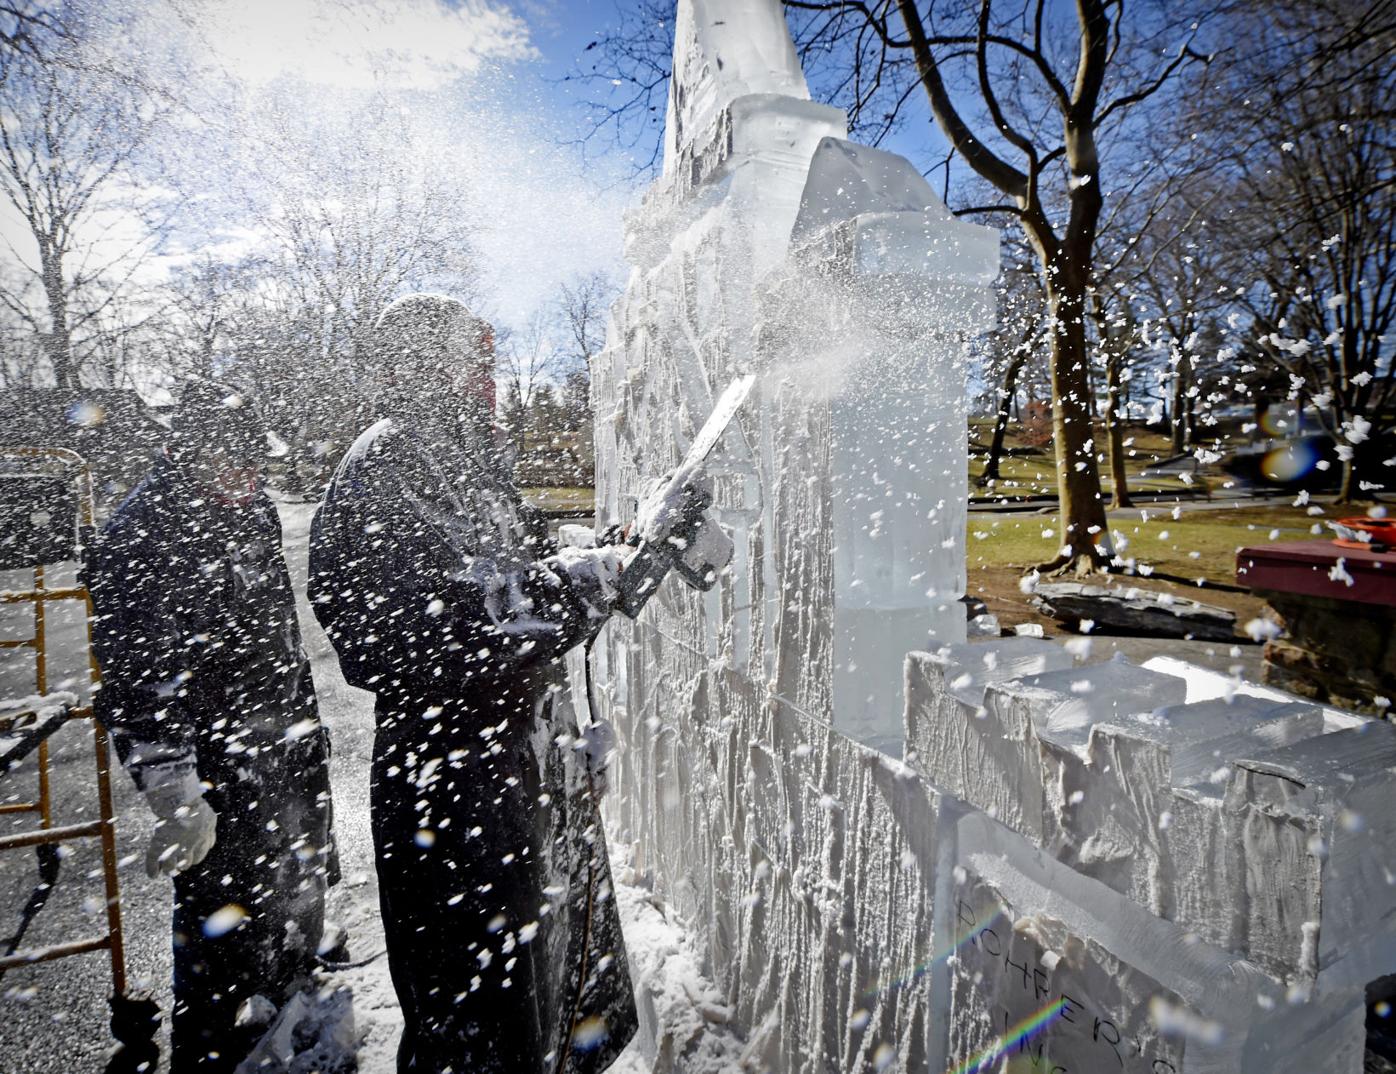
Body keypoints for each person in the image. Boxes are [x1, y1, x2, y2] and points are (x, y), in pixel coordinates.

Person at [310, 293, 721, 1074]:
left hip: (510, 763)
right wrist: (598, 576)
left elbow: (528, 578)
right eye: (479, 361)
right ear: (429, 364)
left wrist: (636, 541)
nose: (493, 380)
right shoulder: (392, 459)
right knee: (477, 1023)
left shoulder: (460, 457)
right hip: (454, 783)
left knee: (538, 1002)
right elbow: (451, 619)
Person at [87, 381, 338, 1073]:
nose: (248, 474)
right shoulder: (141, 532)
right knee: (217, 921)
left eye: (253, 459)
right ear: (187, 451)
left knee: (293, 889)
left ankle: (288, 1004)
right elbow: (139, 676)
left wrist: (305, 735)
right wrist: (171, 786)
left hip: (279, 737)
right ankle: (211, 1048)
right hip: (212, 759)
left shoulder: (248, 506)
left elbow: (279, 632)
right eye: (231, 458)